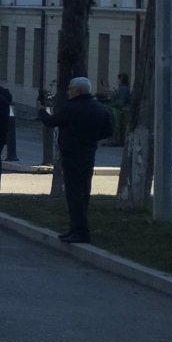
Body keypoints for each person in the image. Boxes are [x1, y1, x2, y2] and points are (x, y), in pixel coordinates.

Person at [40, 77, 113, 244]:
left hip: (72, 155)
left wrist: (42, 111)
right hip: (88, 154)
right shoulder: (100, 108)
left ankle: (80, 231)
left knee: (74, 195)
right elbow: (109, 130)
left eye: (70, 89)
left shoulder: (72, 107)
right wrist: (92, 139)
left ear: (78, 91)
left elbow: (51, 122)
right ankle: (75, 229)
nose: (68, 92)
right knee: (83, 193)